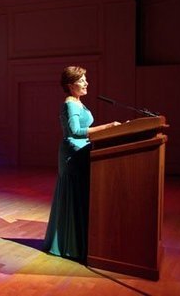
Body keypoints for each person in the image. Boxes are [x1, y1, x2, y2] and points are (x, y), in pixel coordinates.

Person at [42, 65, 120, 262]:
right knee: (74, 196)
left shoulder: (76, 102)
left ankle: (75, 243)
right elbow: (75, 131)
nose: (86, 83)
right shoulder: (70, 104)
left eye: (86, 78)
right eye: (82, 80)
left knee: (78, 196)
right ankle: (69, 246)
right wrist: (108, 127)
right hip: (73, 154)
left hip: (80, 151)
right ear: (70, 85)